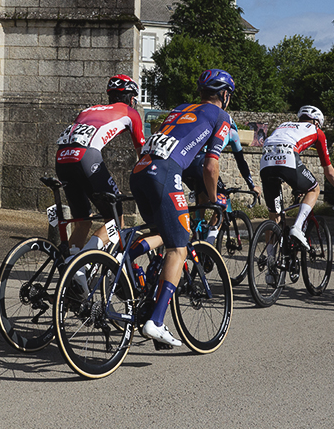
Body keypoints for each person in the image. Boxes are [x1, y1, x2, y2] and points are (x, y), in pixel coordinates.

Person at [129, 69, 234, 347]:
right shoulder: (221, 116)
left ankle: (123, 255)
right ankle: (157, 321)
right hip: (165, 172)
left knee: (162, 233)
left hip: (140, 170)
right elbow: (211, 166)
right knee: (180, 247)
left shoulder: (179, 109)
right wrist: (212, 200)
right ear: (224, 94)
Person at [55, 74, 145, 260]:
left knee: (83, 221)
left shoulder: (87, 110)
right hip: (87, 157)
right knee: (116, 221)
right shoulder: (131, 113)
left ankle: (70, 270)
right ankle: (85, 261)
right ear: (130, 97)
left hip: (62, 158)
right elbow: (143, 156)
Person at [259, 105, 334, 250]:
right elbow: (329, 171)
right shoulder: (317, 131)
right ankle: (298, 228)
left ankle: (270, 263)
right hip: (287, 158)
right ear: (317, 122)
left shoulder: (283, 126)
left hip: (265, 162)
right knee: (314, 189)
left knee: (274, 216)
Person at [182, 115, 261, 243]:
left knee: (202, 197)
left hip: (186, 167)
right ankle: (209, 245)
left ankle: (197, 234)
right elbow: (241, 162)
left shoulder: (206, 127)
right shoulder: (231, 132)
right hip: (202, 164)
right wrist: (252, 185)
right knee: (222, 202)